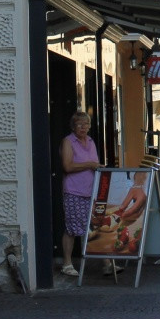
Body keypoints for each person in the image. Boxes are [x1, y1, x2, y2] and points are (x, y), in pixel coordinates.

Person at [59, 111, 101, 276]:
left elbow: (96, 164)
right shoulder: (68, 142)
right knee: (72, 227)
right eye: (80, 124)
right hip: (74, 191)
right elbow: (67, 166)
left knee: (97, 224)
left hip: (91, 190)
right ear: (73, 126)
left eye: (86, 124)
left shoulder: (91, 141)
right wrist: (90, 164)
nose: (83, 127)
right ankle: (67, 264)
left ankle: (107, 262)